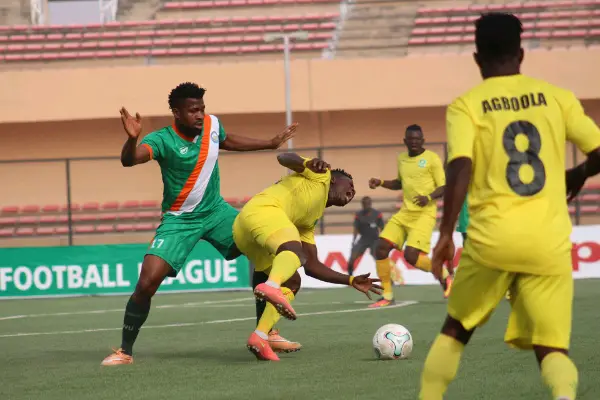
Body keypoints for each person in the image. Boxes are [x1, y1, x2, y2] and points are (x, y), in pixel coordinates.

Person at [421, 13, 600, 400]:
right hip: (548, 242)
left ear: (476, 58)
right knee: (552, 347)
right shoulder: (557, 97)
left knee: (456, 330)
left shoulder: (466, 105)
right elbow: (598, 152)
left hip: (492, 240)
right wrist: (579, 172)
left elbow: (460, 166)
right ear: (521, 54)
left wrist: (446, 233)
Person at [101, 82, 299, 366]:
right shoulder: (162, 139)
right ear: (177, 113)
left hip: (216, 211)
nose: (199, 115)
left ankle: (266, 333)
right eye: (193, 110)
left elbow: (226, 140)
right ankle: (125, 351)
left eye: (202, 109)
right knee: (146, 282)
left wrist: (269, 143)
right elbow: (129, 160)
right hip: (179, 219)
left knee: (262, 251)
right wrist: (132, 139)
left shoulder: (212, 125)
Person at [233, 153, 382, 361]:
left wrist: (350, 280)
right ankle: (272, 286)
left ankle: (260, 336)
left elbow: (312, 265)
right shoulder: (321, 175)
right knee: (294, 251)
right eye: (349, 184)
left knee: (293, 281)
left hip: (244, 234)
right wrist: (306, 163)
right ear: (334, 180)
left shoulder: (309, 219)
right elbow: (283, 157)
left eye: (354, 190)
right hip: (261, 212)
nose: (353, 191)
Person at [368, 124, 452, 308]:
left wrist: (428, 197)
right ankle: (387, 295)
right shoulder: (402, 159)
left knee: (411, 256)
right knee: (380, 248)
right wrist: (380, 182)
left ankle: (444, 275)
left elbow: (444, 186)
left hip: (424, 214)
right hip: (404, 213)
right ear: (405, 141)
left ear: (423, 140)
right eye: (411, 139)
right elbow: (400, 183)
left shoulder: (431, 159)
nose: (414, 142)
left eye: (417, 139)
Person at [348, 196, 385, 276]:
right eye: (364, 204)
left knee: (379, 260)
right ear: (362, 204)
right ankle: (350, 277)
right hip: (363, 239)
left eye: (368, 204)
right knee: (352, 258)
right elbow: (356, 228)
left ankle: (387, 278)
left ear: (370, 204)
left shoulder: (377, 214)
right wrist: (354, 240)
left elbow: (382, 228)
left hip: (375, 240)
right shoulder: (358, 215)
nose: (366, 206)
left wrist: (382, 240)